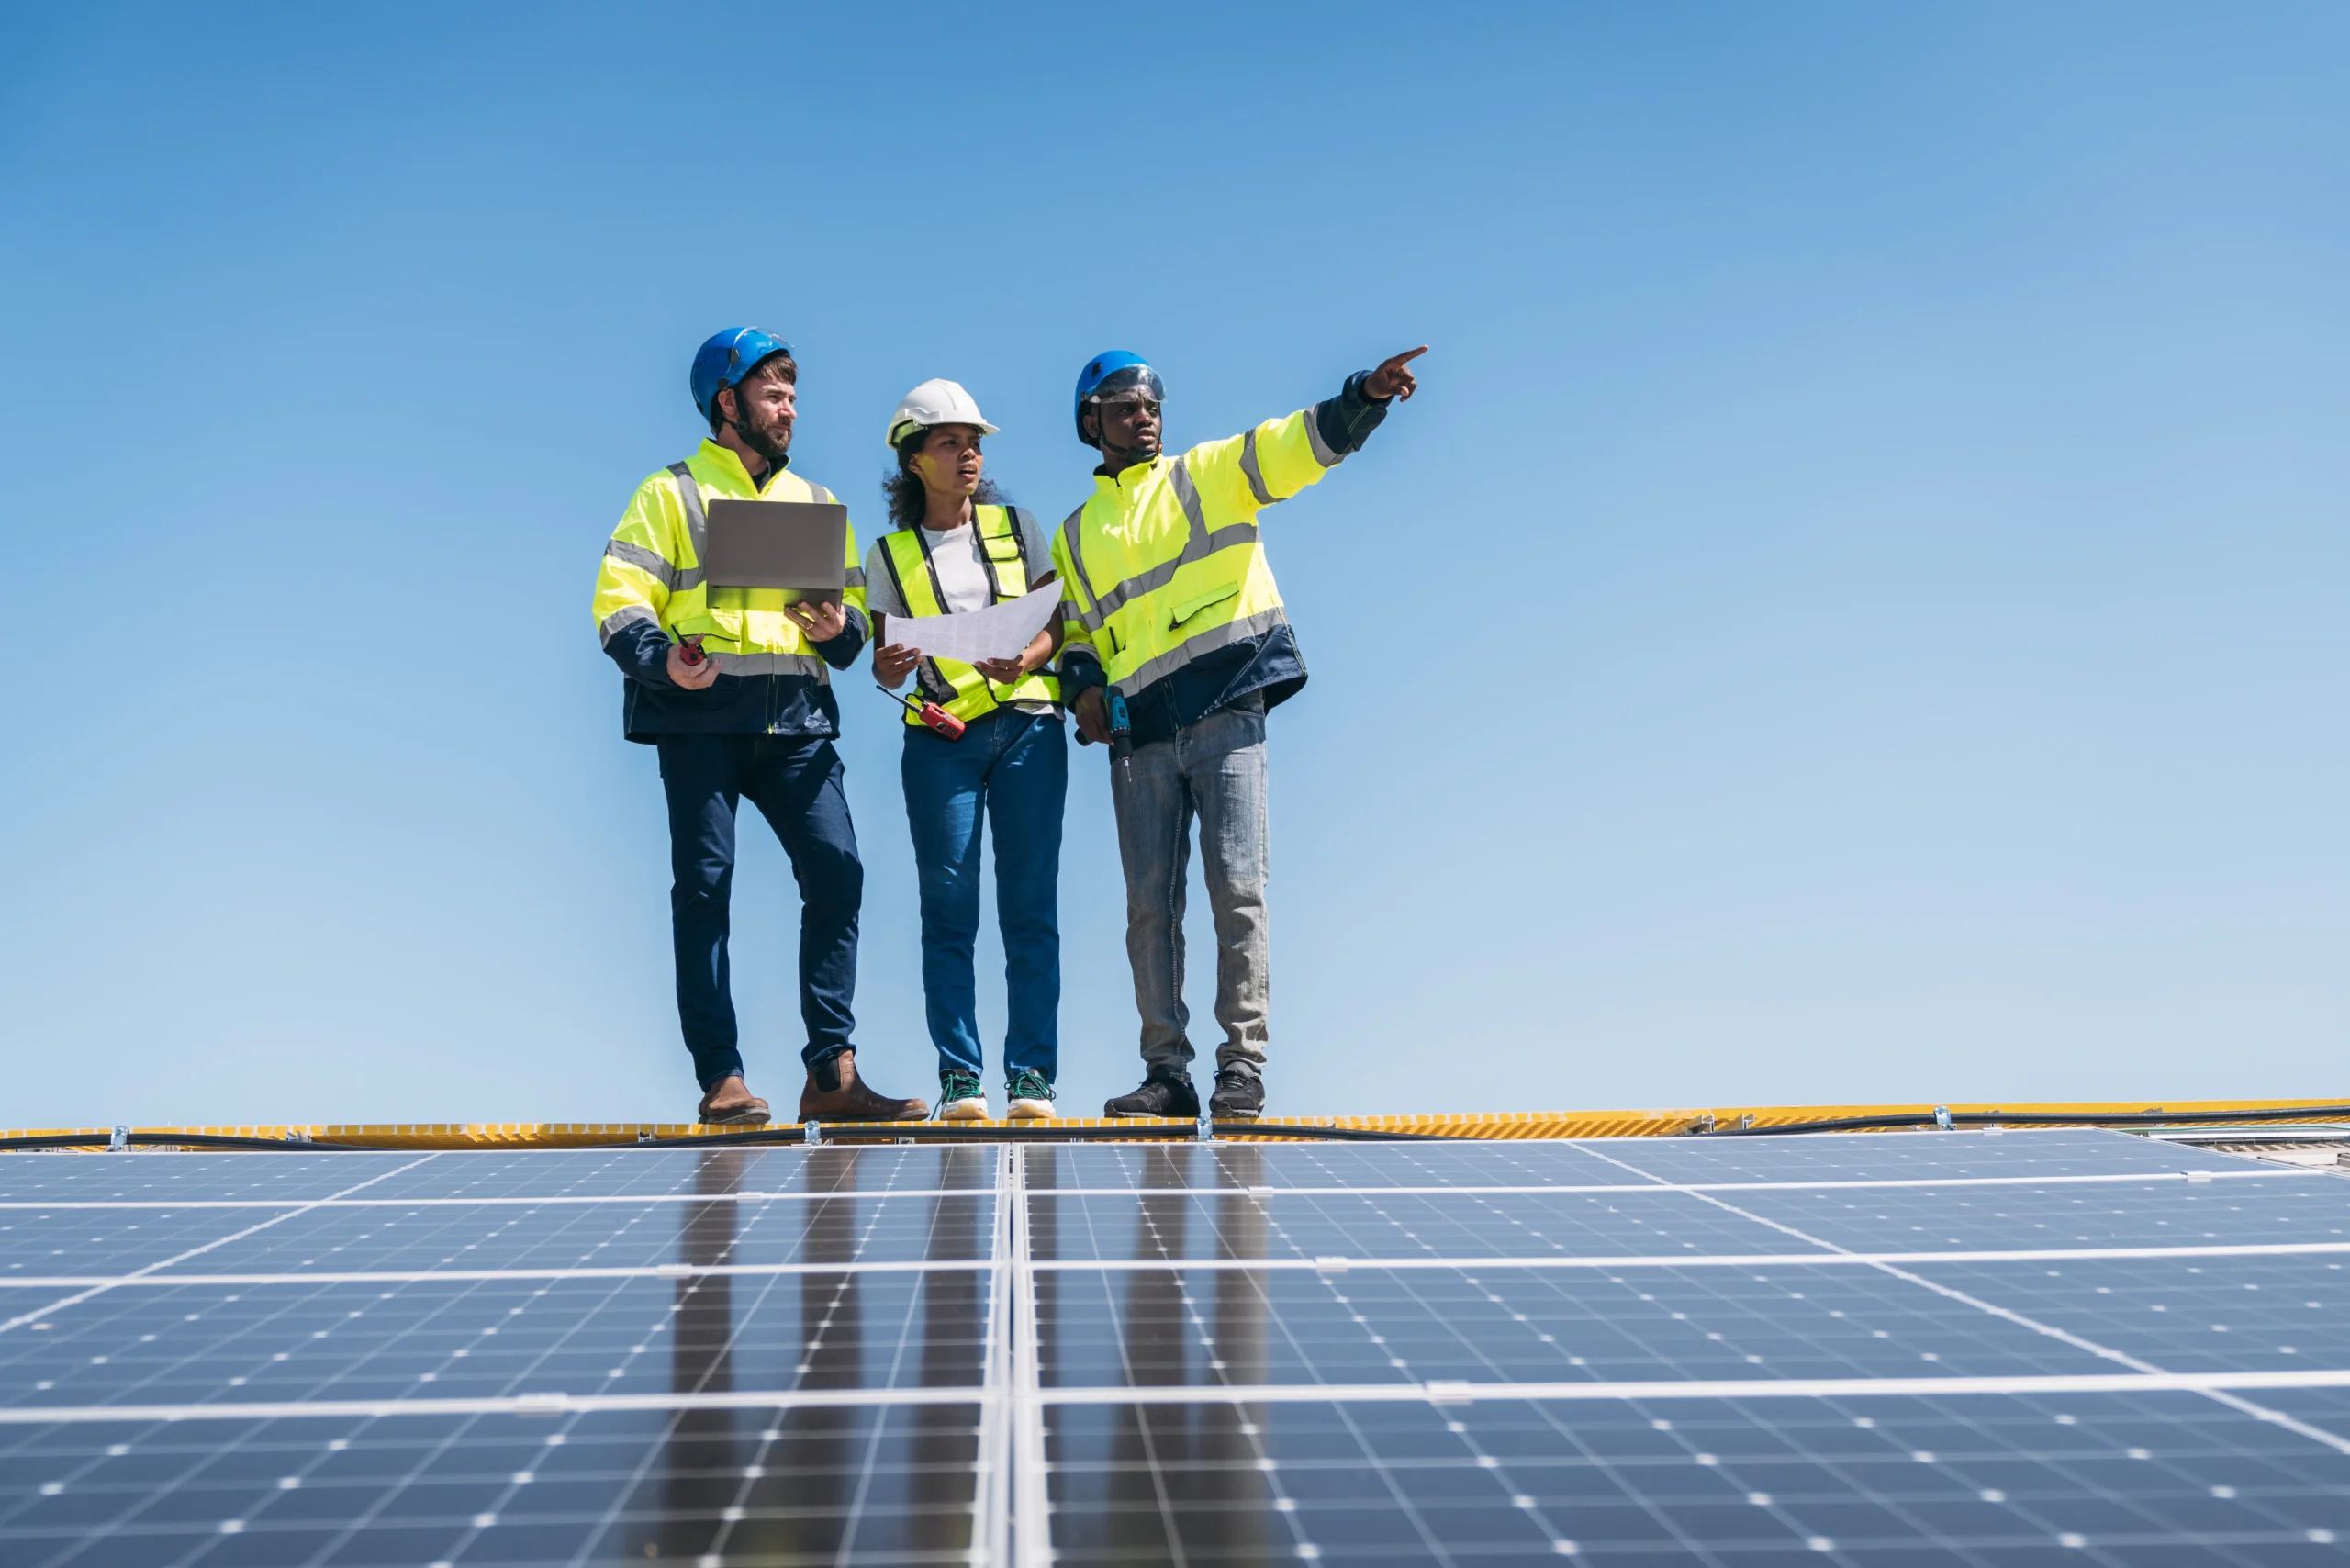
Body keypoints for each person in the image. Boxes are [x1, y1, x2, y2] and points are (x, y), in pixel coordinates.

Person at [1053, 345, 1427, 1120]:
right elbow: (1078, 635)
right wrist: (1082, 685)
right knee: (1150, 908)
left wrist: (1363, 395)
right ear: (1092, 422)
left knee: (1238, 889)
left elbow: (1297, 443)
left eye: (1152, 402)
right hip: (1140, 735)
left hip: (1226, 705)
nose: (1144, 415)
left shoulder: (1208, 473)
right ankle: (1167, 1072)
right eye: (1124, 405)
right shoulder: (1074, 534)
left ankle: (1242, 1068)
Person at [590, 328, 930, 1126]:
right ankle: (722, 1077)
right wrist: (663, 659)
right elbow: (618, 602)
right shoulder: (668, 494)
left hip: (798, 725)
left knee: (838, 871)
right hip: (699, 720)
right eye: (774, 394)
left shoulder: (816, 505)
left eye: (793, 396)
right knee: (705, 890)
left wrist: (831, 629)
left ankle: (832, 1073)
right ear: (727, 401)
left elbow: (849, 639)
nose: (790, 409)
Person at [867, 380, 1066, 1122]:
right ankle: (961, 1080)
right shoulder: (886, 555)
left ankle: (1033, 1081)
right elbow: (885, 658)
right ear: (912, 459)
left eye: (974, 441)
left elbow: (1059, 623)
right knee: (948, 910)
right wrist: (887, 666)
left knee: (1029, 908)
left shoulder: (1021, 527)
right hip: (940, 740)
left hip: (1029, 730)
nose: (969, 454)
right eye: (950, 442)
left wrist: (1032, 657)